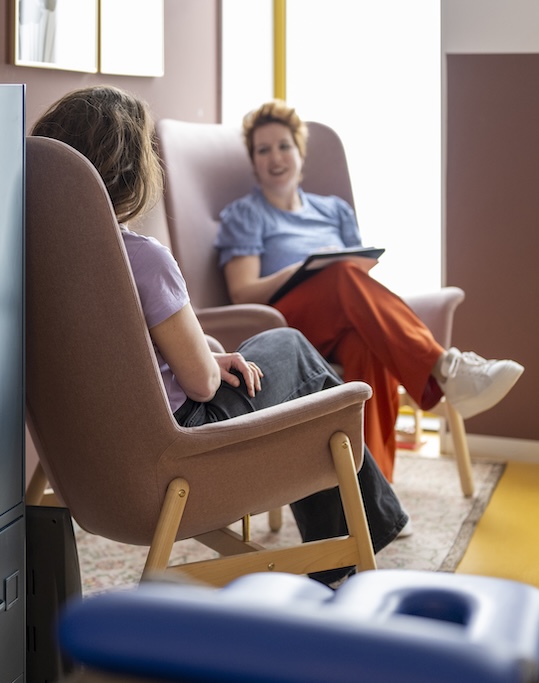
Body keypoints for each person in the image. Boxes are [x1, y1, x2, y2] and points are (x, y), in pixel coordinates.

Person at [31, 85, 409, 583]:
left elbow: (130, 356)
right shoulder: (142, 260)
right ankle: (358, 538)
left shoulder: (38, 259)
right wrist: (209, 361)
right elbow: (203, 386)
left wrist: (209, 351)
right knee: (292, 349)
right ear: (130, 174)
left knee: (265, 357)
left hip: (94, 466)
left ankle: (366, 526)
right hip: (178, 451)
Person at [216, 99, 524, 482]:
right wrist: (303, 267)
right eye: (263, 149)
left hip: (339, 317)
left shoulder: (334, 210)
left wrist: (337, 270)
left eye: (284, 146)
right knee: (340, 274)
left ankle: (375, 499)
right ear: (253, 160)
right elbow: (243, 292)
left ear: (300, 152)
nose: (275, 157)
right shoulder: (247, 214)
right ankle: (445, 368)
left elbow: (360, 274)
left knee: (368, 347)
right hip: (285, 326)